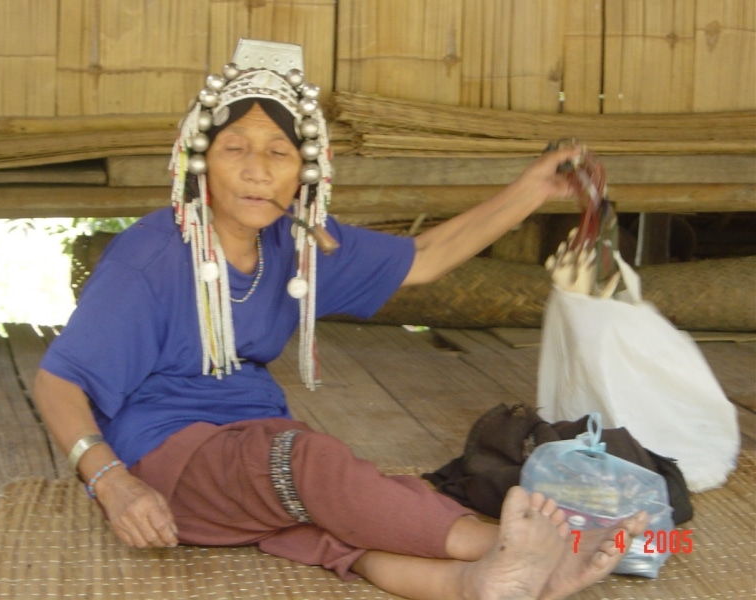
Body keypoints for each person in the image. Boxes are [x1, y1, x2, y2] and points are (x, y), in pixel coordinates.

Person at [33, 40, 647, 600]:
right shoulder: (151, 254)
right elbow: (57, 381)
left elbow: (426, 258)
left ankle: (474, 583)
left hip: (250, 449)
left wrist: (534, 189)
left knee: (341, 507)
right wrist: (114, 484)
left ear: (305, 172)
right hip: (166, 464)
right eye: (235, 149)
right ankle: (514, 548)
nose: (256, 170)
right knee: (309, 468)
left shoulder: (294, 245)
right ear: (198, 162)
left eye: (278, 153)